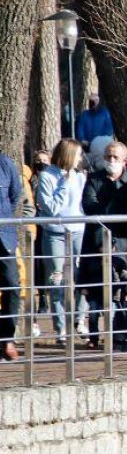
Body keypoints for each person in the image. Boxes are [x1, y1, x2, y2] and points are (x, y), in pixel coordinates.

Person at [80, 140, 127, 349]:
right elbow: (89, 206)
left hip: (122, 242)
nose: (111, 161)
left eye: (115, 157)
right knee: (96, 292)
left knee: (123, 288)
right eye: (108, 156)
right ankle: (94, 335)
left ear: (125, 161)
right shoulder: (94, 180)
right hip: (96, 242)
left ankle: (120, 334)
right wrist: (112, 213)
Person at [35, 139, 87, 345]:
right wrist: (64, 184)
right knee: (56, 280)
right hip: (55, 232)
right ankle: (61, 329)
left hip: (77, 231)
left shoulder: (80, 176)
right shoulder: (47, 175)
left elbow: (81, 203)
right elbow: (51, 209)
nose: (80, 159)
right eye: (78, 155)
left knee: (78, 276)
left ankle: (79, 318)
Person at [0, 150, 23, 361]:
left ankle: (7, 338)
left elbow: (16, 195)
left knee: (13, 286)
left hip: (4, 237)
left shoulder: (5, 163)